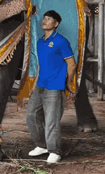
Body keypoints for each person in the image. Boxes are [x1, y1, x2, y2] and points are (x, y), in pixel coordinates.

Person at [26, 10, 77, 164]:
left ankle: (55, 150)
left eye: (49, 19)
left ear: (56, 24)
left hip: (55, 87)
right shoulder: (40, 42)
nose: (44, 21)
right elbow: (41, 66)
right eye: (44, 18)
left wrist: (68, 83)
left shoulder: (61, 41)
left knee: (51, 120)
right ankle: (42, 145)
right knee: (31, 115)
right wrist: (34, 85)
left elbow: (71, 64)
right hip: (41, 85)